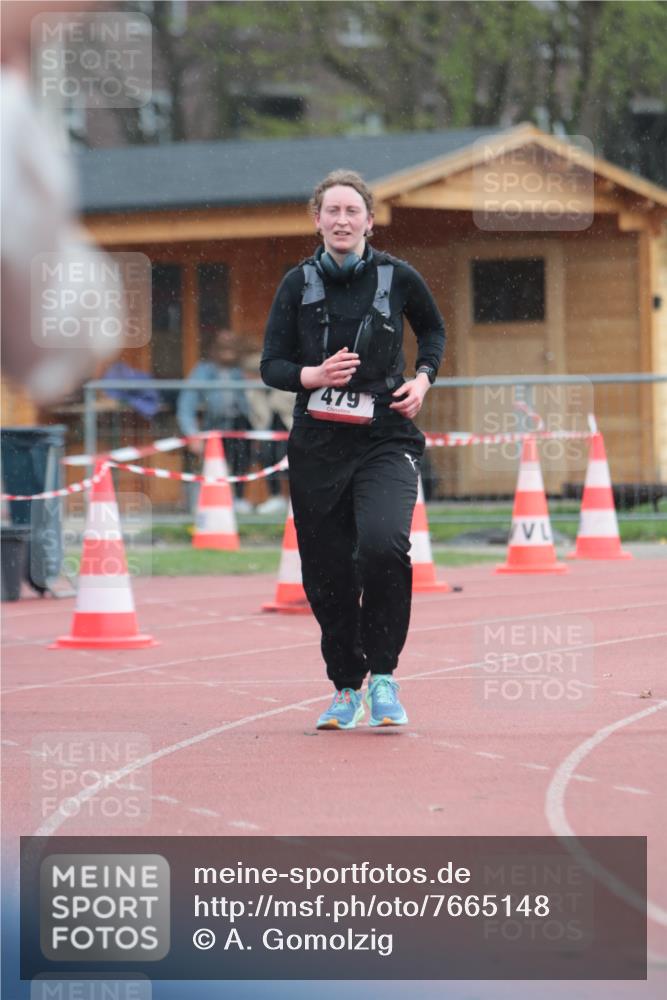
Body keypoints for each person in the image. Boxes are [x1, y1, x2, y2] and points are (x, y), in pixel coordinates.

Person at [261, 169, 445, 730]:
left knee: (385, 545)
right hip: (318, 446)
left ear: (369, 219)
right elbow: (272, 365)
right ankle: (346, 685)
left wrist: (423, 378)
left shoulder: (398, 277)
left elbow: (433, 332)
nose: (342, 220)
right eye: (332, 211)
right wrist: (312, 374)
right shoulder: (297, 284)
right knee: (327, 571)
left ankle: (384, 677)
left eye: (352, 211)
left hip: (385, 438)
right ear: (317, 220)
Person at [177, 329, 252, 512]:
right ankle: (203, 505)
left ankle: (238, 499)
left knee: (241, 462)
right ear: (214, 349)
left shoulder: (242, 370)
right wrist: (192, 434)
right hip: (213, 425)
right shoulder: (203, 371)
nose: (228, 351)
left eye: (232, 346)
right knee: (208, 465)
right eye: (223, 346)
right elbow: (186, 404)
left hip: (240, 425)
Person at [243, 352, 293, 515]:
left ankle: (293, 499)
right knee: (267, 455)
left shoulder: (284, 385)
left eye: (251, 375)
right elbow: (259, 416)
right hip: (269, 433)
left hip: (290, 429)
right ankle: (276, 497)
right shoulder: (253, 392)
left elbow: (287, 405)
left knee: (289, 459)